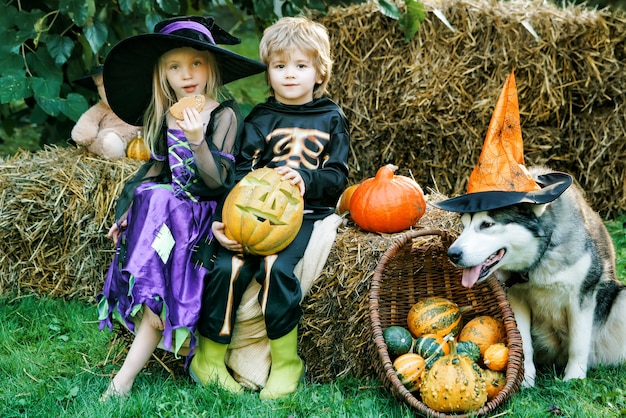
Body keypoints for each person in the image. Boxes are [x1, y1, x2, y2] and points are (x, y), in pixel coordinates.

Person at [96, 16, 265, 400]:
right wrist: (125, 212)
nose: (186, 74)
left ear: (211, 67)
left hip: (201, 222)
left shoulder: (224, 114)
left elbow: (217, 182)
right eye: (175, 66)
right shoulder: (165, 114)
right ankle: (149, 325)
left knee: (162, 200)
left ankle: (127, 374)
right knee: (152, 196)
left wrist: (197, 140)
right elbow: (154, 170)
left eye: (196, 63)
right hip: (168, 221)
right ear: (163, 75)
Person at [191, 16, 350, 399]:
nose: (290, 75)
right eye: (280, 66)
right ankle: (208, 360)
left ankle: (285, 363)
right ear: (268, 72)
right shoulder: (261, 118)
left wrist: (306, 180)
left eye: (300, 66)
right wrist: (223, 223)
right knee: (225, 266)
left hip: (303, 216)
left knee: (277, 269)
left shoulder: (331, 118)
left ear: (319, 72)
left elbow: (338, 176)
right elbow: (240, 175)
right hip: (251, 214)